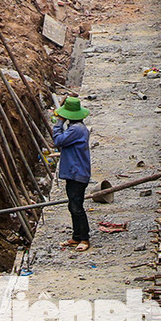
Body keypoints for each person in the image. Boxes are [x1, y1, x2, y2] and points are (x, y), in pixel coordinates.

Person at [52, 96, 92, 250]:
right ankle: (77, 236)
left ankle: (84, 238)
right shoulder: (76, 127)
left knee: (77, 207)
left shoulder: (76, 130)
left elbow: (58, 141)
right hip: (74, 172)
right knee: (73, 205)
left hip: (77, 173)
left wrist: (59, 122)